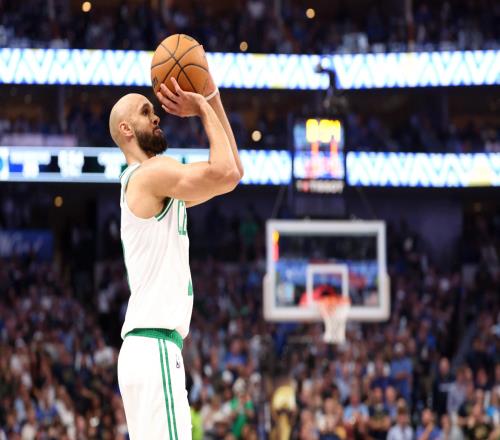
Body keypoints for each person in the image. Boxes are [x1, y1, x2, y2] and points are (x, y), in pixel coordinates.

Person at [109, 76, 243, 439]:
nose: (156, 116)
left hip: (148, 349)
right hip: (154, 347)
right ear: (126, 129)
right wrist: (200, 106)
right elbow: (226, 172)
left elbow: (232, 172)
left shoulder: (156, 184)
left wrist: (212, 97)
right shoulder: (150, 174)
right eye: (145, 112)